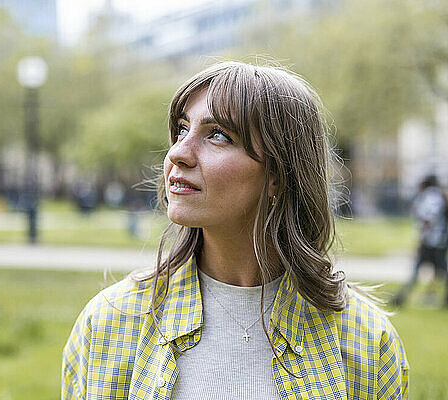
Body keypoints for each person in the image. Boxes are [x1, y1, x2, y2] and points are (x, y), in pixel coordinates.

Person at [62, 61, 409, 399]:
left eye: (218, 135)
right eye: (182, 129)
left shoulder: (365, 343)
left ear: (277, 176)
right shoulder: (109, 324)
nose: (178, 153)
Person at [393, 174, 448, 307]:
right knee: (439, 271)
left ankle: (401, 298)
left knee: (419, 270)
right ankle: (401, 297)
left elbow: (428, 218)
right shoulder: (438, 195)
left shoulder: (431, 197)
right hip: (438, 242)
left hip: (432, 242)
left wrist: (422, 237)